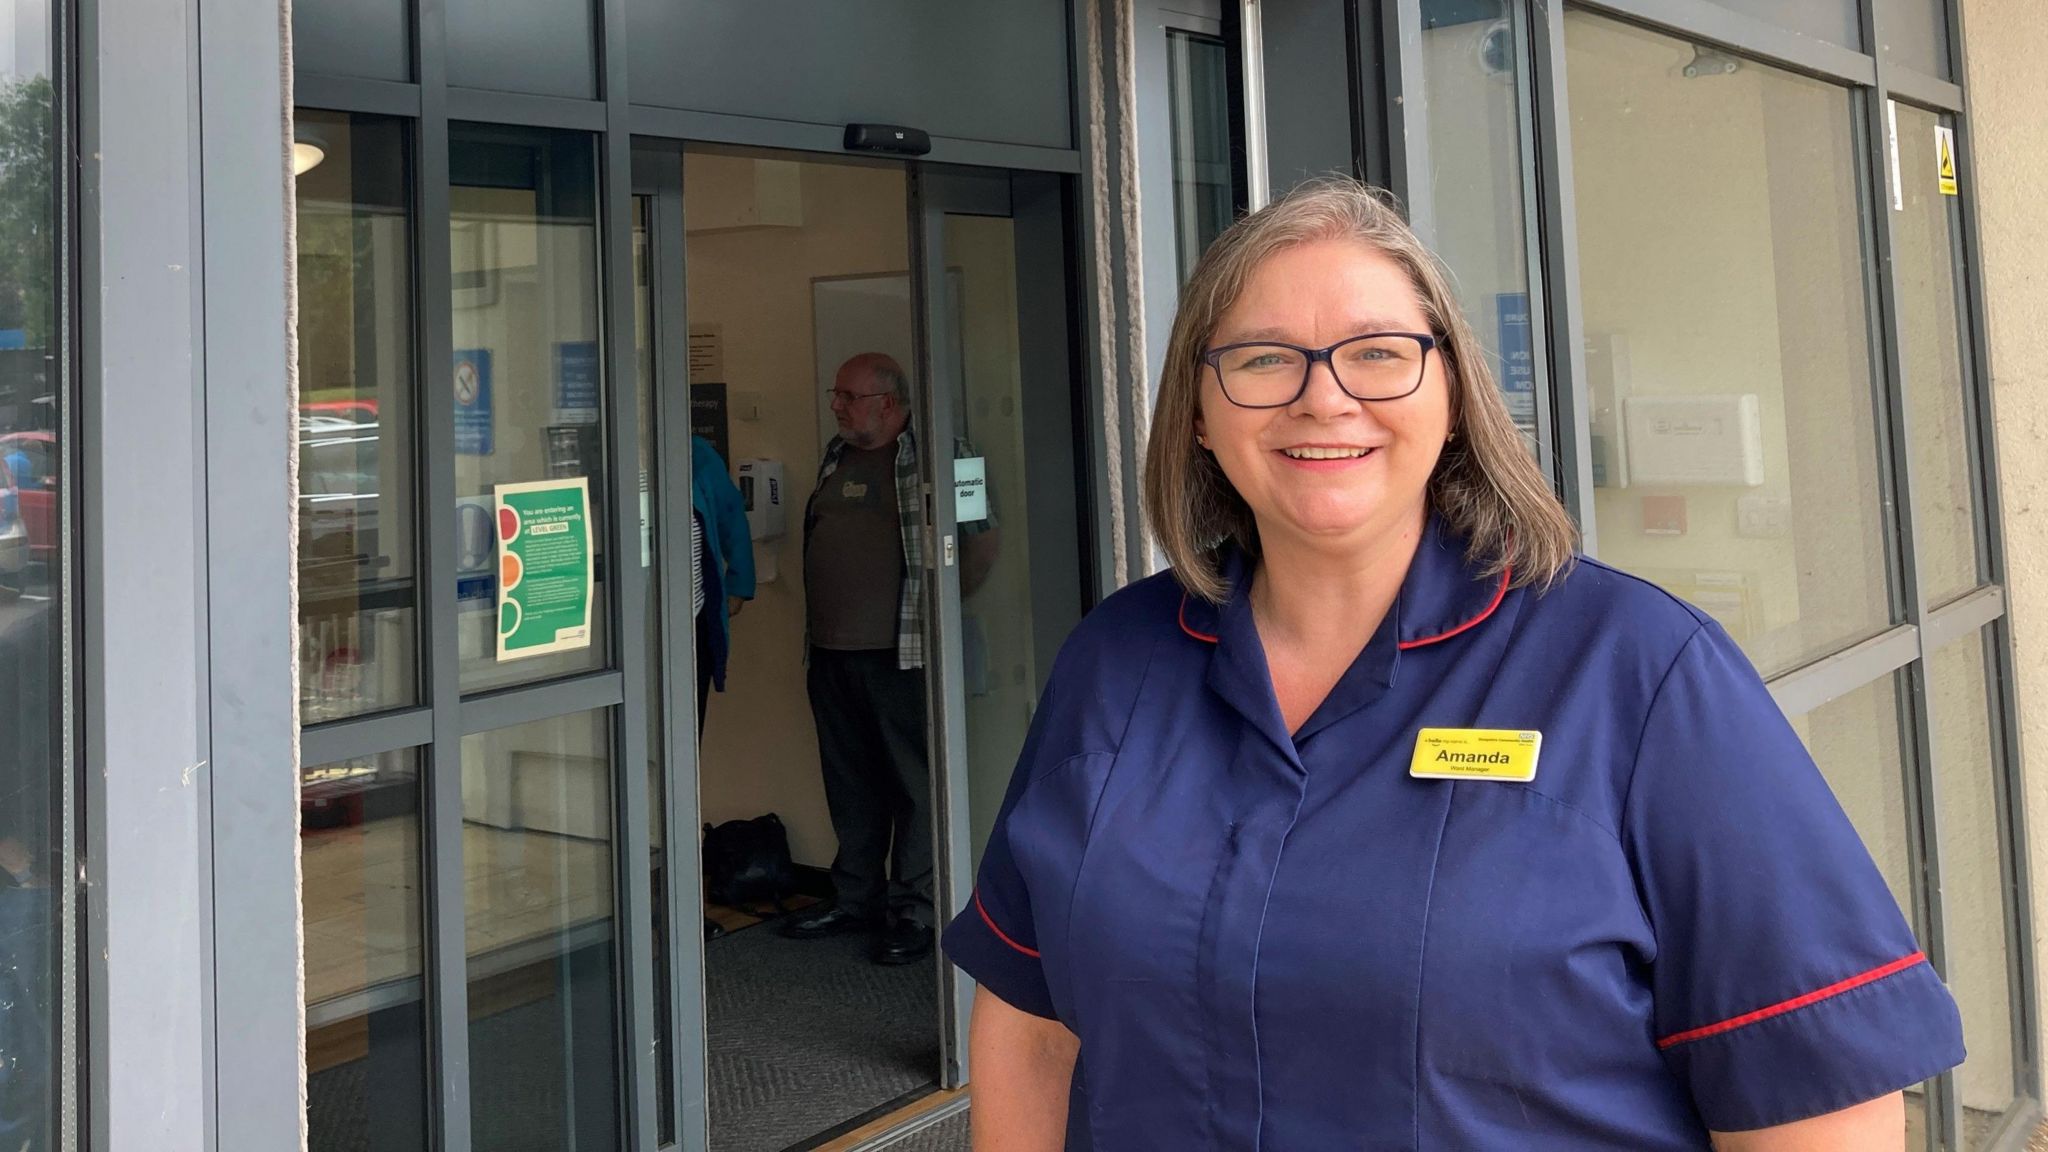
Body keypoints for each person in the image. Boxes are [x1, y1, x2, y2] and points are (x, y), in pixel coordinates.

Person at [942, 178, 1963, 1150]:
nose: (1322, 397)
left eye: (1378, 353)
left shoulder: (1638, 675)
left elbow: (1818, 1105)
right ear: (1200, 417)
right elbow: (1031, 1025)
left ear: (1451, 394)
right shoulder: (1111, 666)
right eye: (1260, 359)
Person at [783, 352, 994, 966]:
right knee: (850, 784)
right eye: (837, 393)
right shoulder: (835, 454)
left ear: (889, 402)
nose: (837, 405)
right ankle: (854, 898)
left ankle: (914, 911)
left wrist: (938, 615)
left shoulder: (947, 453)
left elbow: (980, 543)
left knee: (915, 783)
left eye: (848, 395)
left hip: (904, 656)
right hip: (831, 654)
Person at [690, 433, 754, 942]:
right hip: (623, 645)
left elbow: (732, 518)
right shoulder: (606, 447)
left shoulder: (695, 454)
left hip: (688, 638)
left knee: (681, 774)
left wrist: (739, 585)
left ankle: (687, 907)